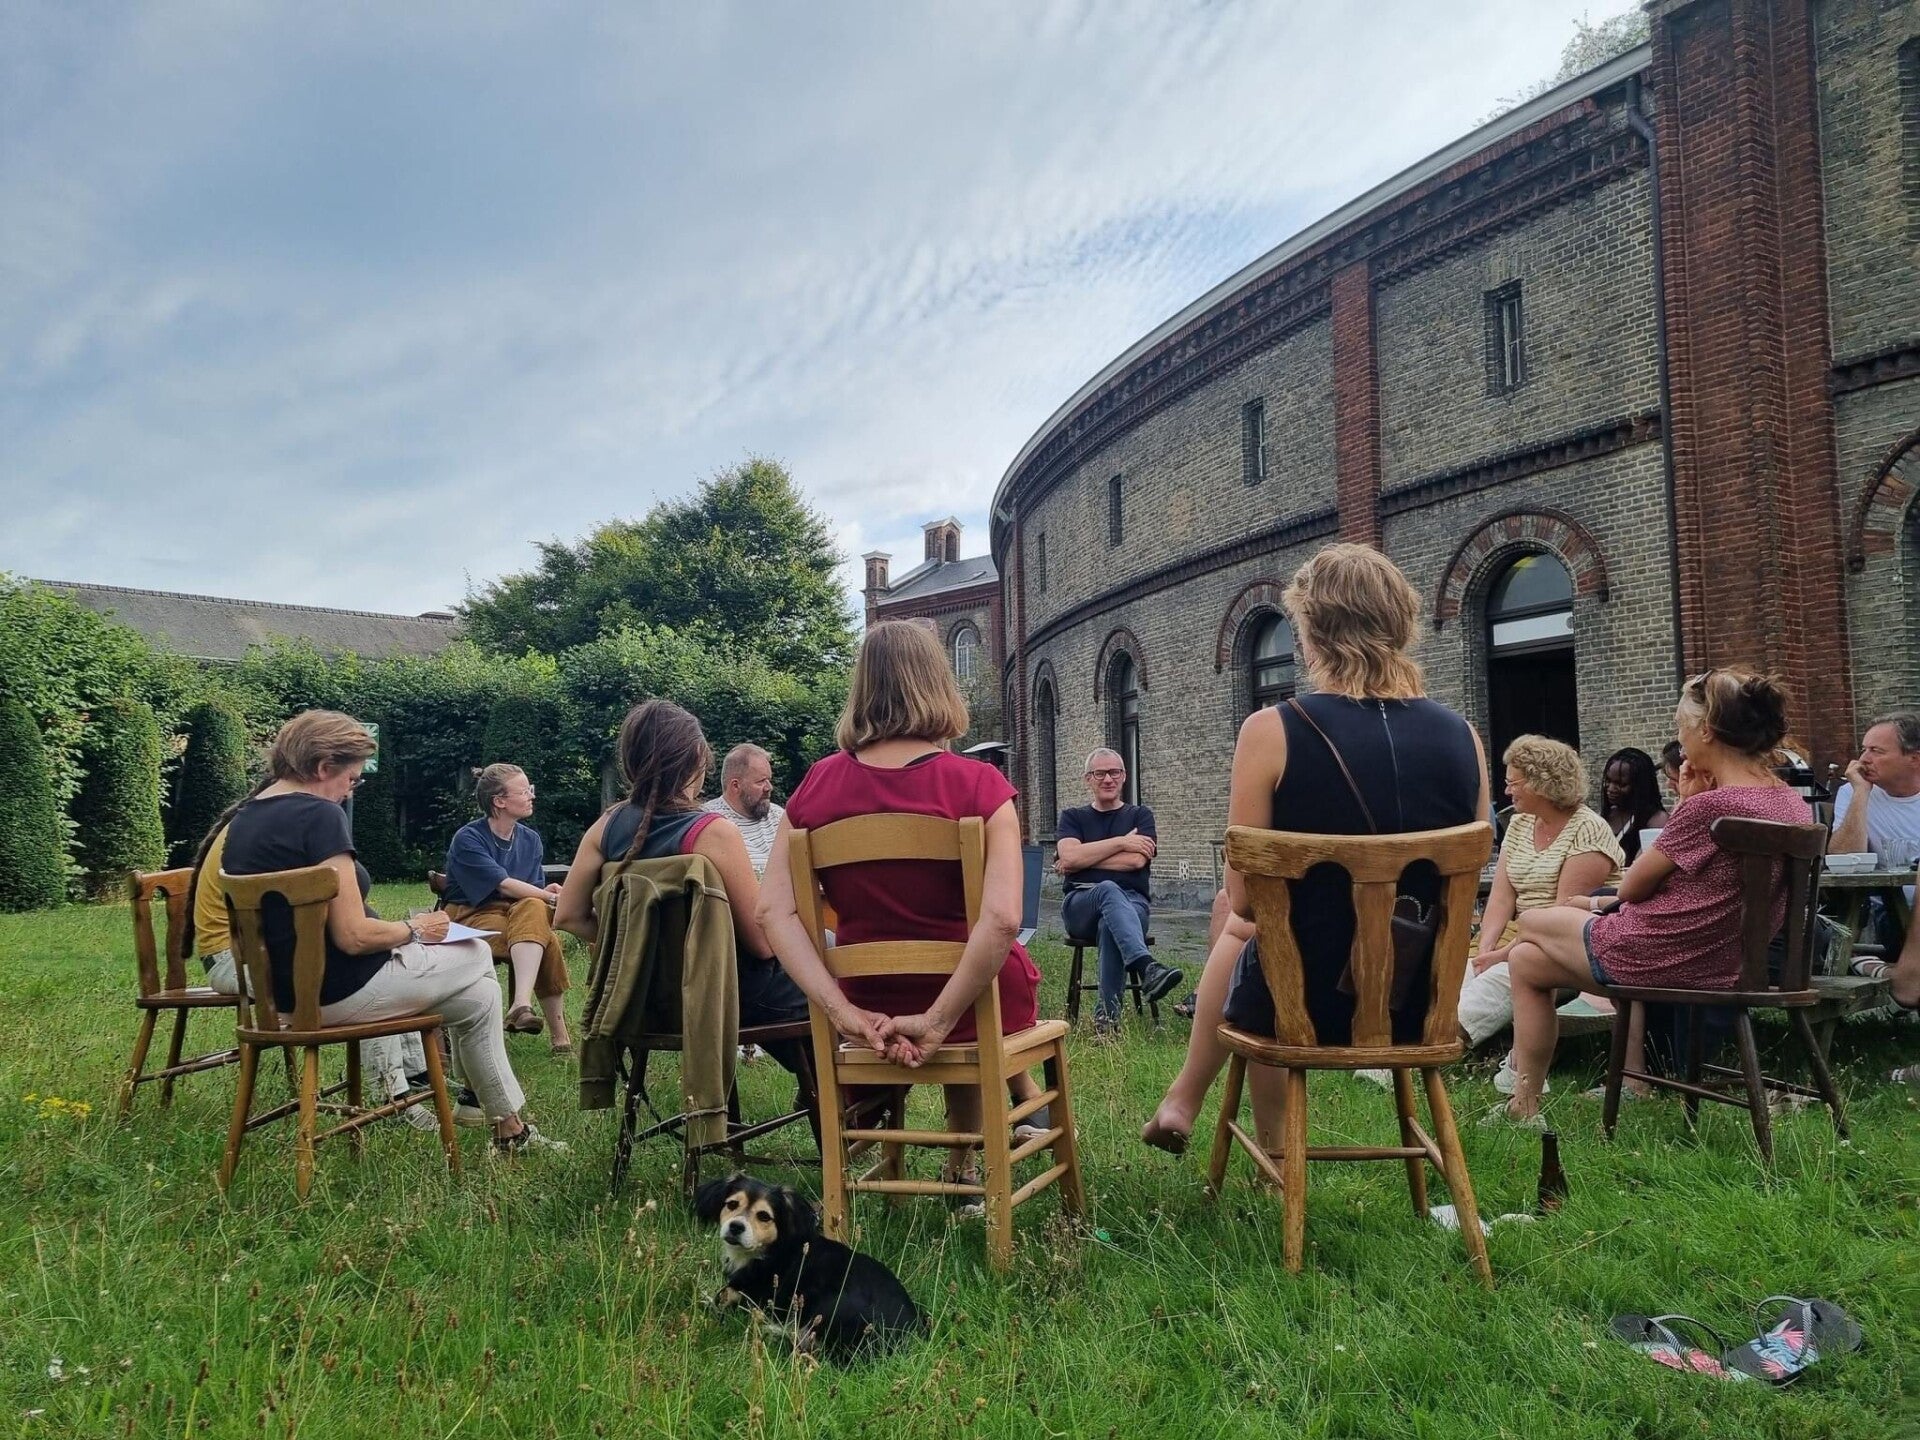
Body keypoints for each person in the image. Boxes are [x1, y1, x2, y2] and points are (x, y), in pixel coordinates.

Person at [1143, 543, 1490, 1154]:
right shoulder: (1464, 737)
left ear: (1312, 631)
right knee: (1266, 945)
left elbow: (1244, 900)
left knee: (1253, 936)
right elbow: (1471, 873)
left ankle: (1258, 1141)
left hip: (1302, 1006)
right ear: (1401, 625)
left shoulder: (1271, 730)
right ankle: (1216, 1117)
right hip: (1419, 1003)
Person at [756, 620, 1046, 1194]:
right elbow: (1003, 920)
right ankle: (965, 1169)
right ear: (937, 683)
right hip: (972, 999)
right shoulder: (980, 785)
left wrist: (843, 1012)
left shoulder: (816, 786)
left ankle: (940, 1161)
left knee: (955, 977)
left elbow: (772, 913)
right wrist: (938, 1019)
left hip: (871, 998)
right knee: (978, 972)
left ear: (862, 687)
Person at [220, 710, 563, 1153]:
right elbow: (354, 937)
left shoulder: (244, 818)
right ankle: (485, 1104)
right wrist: (415, 927)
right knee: (477, 952)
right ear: (323, 767)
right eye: (352, 779)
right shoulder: (319, 815)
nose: (350, 790)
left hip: (278, 995)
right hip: (340, 991)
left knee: (480, 998)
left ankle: (506, 1127)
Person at [1496, 669, 1812, 1123]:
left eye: (1681, 726)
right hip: (1732, 962)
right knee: (1527, 960)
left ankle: (1532, 1099)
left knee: (1531, 922)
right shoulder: (1790, 802)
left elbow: (1631, 887)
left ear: (1706, 730)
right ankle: (1522, 1104)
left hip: (1666, 956)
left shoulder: (1710, 805)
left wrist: (1686, 801)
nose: (1679, 738)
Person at [554, 701, 811, 1072]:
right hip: (720, 997)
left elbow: (567, 915)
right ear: (696, 759)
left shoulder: (605, 827)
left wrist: (640, 947)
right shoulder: (713, 833)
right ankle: (843, 1089)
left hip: (640, 999)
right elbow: (762, 943)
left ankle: (818, 1086)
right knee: (826, 962)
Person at [1454, 736, 1624, 1094]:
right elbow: (1501, 898)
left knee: (1495, 981)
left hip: (1563, 947)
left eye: (1513, 782)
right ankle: (1409, 1045)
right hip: (1518, 936)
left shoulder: (1587, 830)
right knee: (1459, 974)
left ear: (1541, 783)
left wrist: (1501, 955)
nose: (1506, 790)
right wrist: (1485, 947)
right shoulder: (1519, 825)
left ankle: (1425, 1052)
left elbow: (1562, 916)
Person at [441, 764, 573, 1054]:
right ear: (499, 801)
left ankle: (520, 1005)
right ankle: (559, 1037)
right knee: (545, 938)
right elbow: (504, 885)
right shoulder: (468, 838)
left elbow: (530, 895)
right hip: (470, 916)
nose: (531, 796)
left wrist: (545, 893)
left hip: (516, 915)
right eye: (524, 791)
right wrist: (549, 897)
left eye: (530, 790)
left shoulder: (530, 839)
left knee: (534, 910)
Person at [1056, 748, 1183, 1030]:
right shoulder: (1072, 817)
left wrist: (1085, 857)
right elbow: (1070, 858)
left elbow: (1136, 860)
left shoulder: (1140, 815)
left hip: (1132, 904)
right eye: (1100, 773)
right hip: (1081, 904)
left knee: (1109, 923)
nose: (1108, 779)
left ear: (1124, 776)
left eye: (1114, 772)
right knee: (1108, 889)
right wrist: (1122, 842)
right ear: (1088, 779)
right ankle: (1146, 967)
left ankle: (1107, 1021)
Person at [1830, 712, 1920, 926]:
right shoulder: (1852, 792)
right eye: (1864, 749)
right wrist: (1861, 793)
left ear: (1914, 759)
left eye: (1876, 751)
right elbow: (1842, 860)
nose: (1863, 759)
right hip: (1892, 913)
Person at [701, 743, 785, 878]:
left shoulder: (778, 816)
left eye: (769, 780)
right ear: (735, 786)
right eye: (761, 781)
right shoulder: (708, 821)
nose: (769, 787)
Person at [1599, 747, 1671, 865]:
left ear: (1640, 786)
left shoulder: (1657, 820)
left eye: (1621, 784)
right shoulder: (1607, 815)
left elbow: (1652, 866)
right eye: (1608, 781)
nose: (1611, 789)